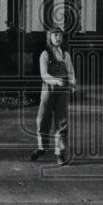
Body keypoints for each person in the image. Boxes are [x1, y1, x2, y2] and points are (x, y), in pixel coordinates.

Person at [29, 29, 76, 165]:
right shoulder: (45, 54)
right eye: (55, 35)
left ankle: (60, 153)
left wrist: (72, 83)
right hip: (48, 90)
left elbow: (71, 72)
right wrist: (55, 80)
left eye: (60, 35)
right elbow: (44, 74)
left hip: (63, 92)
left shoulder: (65, 55)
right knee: (42, 119)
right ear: (49, 37)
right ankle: (42, 147)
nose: (58, 37)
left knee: (62, 122)